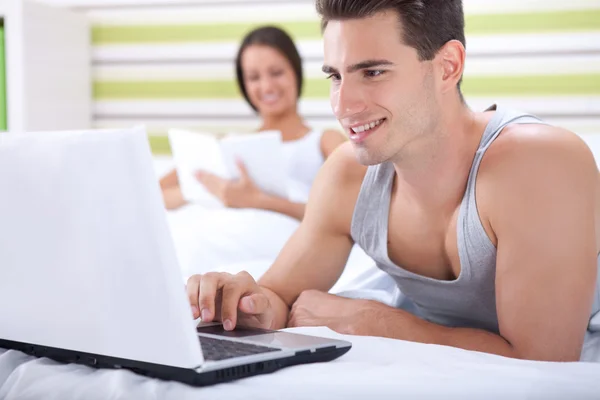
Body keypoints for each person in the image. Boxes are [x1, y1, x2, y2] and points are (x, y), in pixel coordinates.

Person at [186, 0, 600, 362]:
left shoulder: (539, 164)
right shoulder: (348, 175)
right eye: (335, 76)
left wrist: (374, 320)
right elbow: (278, 296)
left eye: (373, 72)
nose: (343, 105)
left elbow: (543, 359)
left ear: (448, 66)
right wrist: (243, 301)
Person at [160, 26, 346, 220]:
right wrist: (207, 189)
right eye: (254, 77)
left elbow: (350, 213)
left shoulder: (324, 141)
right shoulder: (228, 145)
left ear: (295, 71)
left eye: (276, 72)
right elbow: (156, 194)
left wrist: (258, 201)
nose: (266, 86)